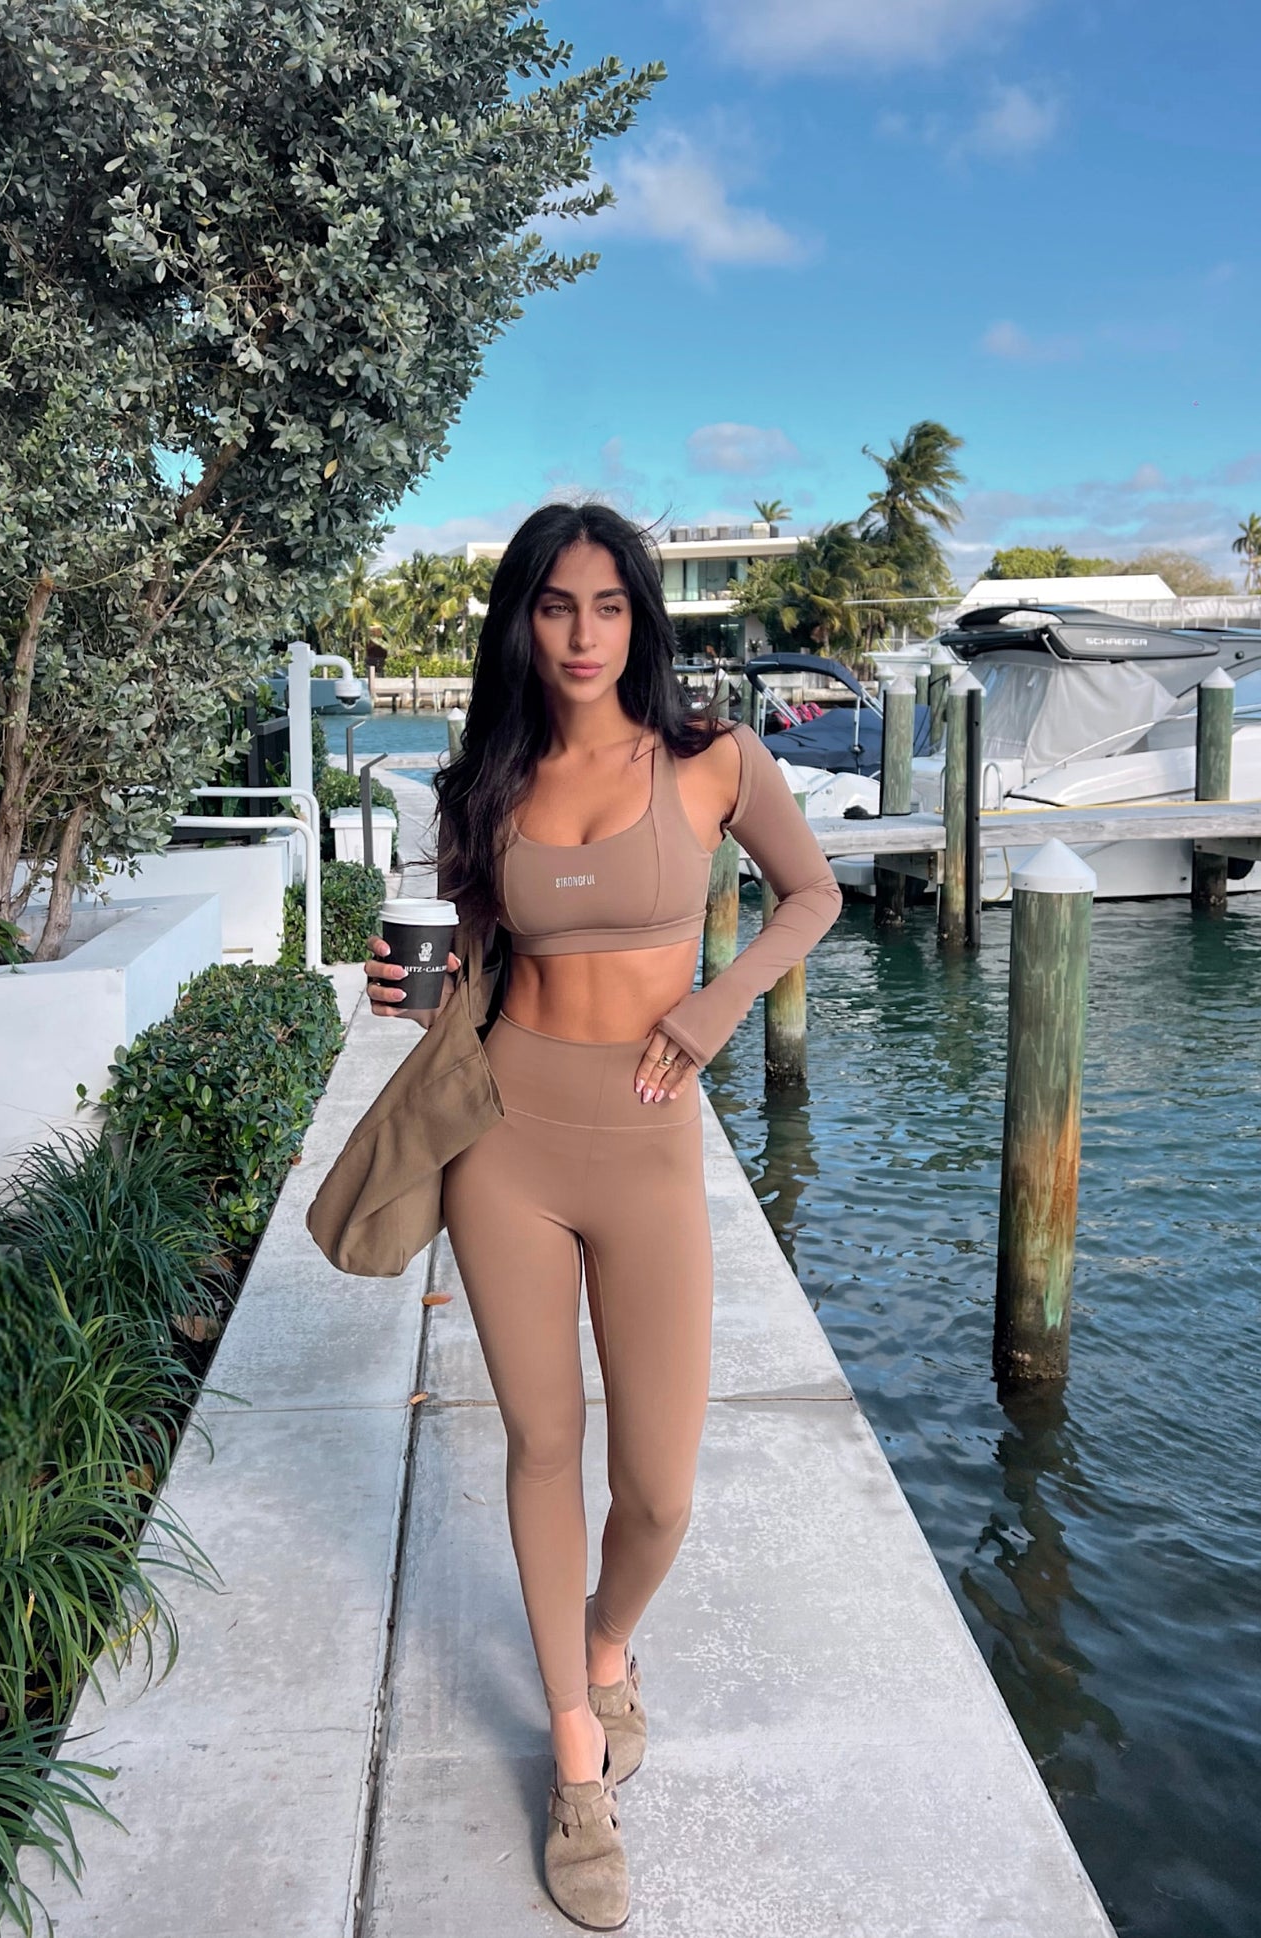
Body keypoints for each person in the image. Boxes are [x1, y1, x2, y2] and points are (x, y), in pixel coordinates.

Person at [362, 502, 841, 1930]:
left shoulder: (711, 761)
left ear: (642, 617)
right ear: (522, 622)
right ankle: (576, 1755)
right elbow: (474, 965)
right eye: (554, 606)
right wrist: (411, 997)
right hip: (504, 1143)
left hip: (645, 1148)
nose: (581, 634)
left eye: (607, 605)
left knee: (661, 1488)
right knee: (541, 1443)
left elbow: (809, 895)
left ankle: (608, 1641)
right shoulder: (486, 782)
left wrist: (713, 1007)